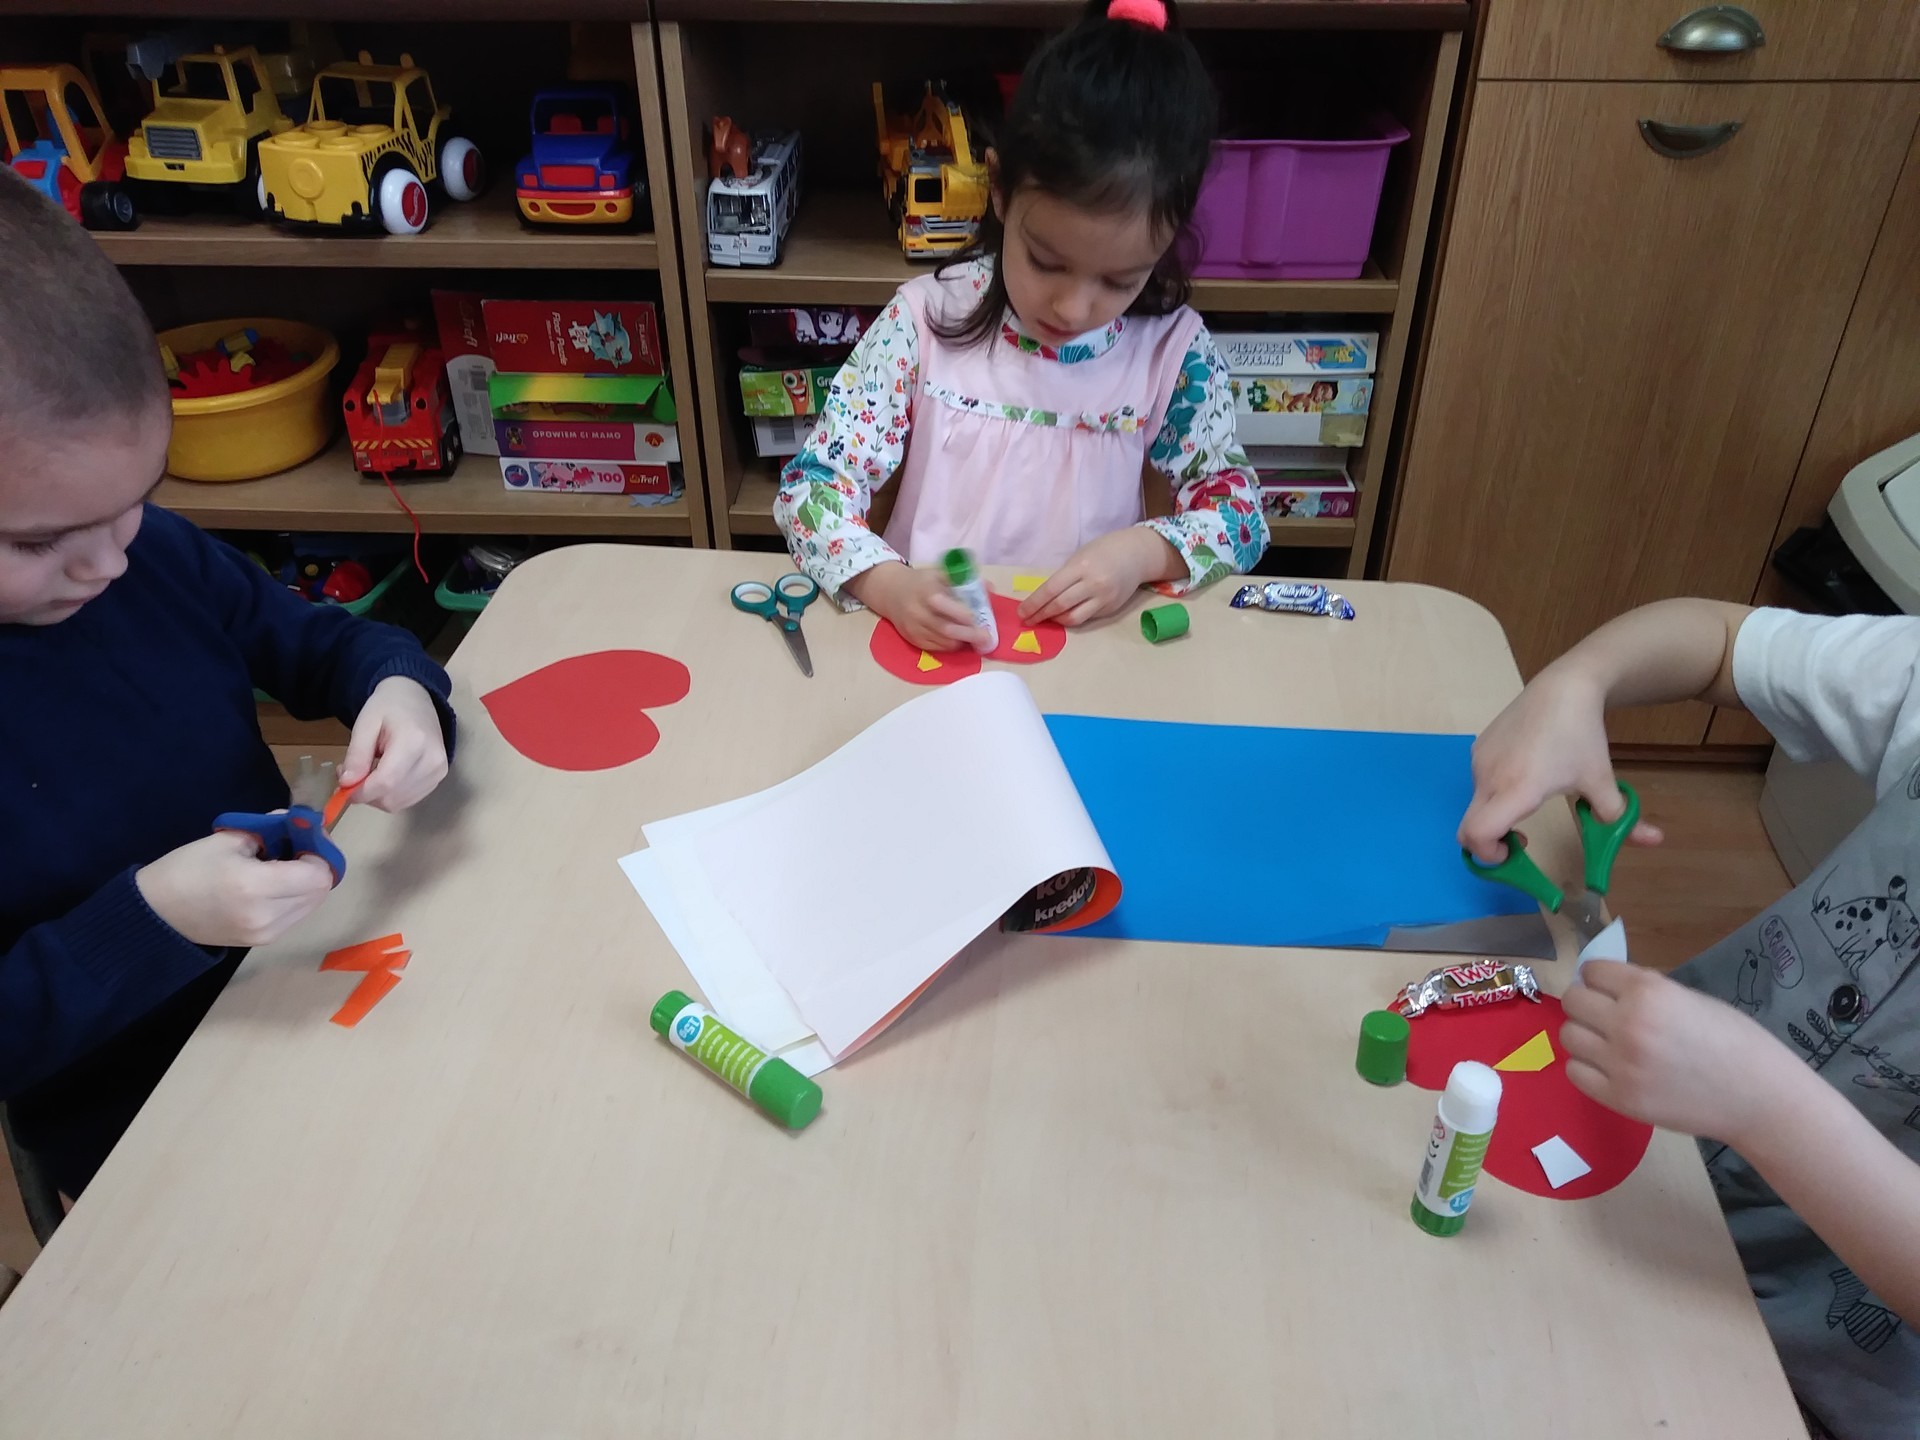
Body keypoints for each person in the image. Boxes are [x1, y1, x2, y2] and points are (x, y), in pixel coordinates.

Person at [0, 169, 454, 1200]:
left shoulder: (149, 554)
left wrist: (399, 689)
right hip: (129, 1135)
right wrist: (152, 918)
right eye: (36, 542)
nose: (106, 563)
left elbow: (324, 644)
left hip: (299, 1003)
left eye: (134, 500)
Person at [1460, 597, 1920, 1439]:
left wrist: (1766, 1107)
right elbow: (1721, 642)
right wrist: (1579, 681)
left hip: (1810, 1374)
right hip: (1646, 1151)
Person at [775, 0, 1268, 653]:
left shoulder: (1173, 354)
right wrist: (888, 585)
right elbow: (811, 490)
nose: (1072, 309)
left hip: (1087, 657)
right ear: (1000, 189)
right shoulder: (924, 321)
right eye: (1046, 261)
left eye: (1120, 281)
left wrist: (1142, 553)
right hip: (927, 651)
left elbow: (1240, 513)